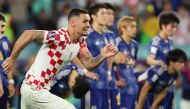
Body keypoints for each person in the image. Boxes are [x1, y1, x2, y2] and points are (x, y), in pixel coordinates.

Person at [2, 8, 117, 109]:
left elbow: (88, 63)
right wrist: (12, 58)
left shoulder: (80, 42)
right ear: (73, 23)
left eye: (89, 21)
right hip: (34, 89)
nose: (88, 25)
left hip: (36, 89)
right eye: (85, 21)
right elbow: (29, 34)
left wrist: (103, 55)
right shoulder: (60, 36)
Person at [146, 11, 180, 109]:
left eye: (176, 27)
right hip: (158, 83)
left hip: (168, 83)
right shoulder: (155, 42)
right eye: (172, 26)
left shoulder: (170, 42)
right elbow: (149, 59)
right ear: (163, 26)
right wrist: (159, 63)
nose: (174, 30)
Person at [116, 16, 139, 109]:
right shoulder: (116, 43)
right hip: (120, 87)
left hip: (132, 87)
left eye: (135, 27)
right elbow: (110, 64)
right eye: (132, 26)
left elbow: (133, 64)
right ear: (123, 28)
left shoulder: (135, 44)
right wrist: (116, 81)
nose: (135, 29)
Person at [0, 12, 15, 109]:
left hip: (4, 83)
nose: (4, 29)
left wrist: (10, 81)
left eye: (4, 26)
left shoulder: (5, 40)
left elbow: (8, 62)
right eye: (1, 26)